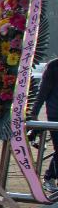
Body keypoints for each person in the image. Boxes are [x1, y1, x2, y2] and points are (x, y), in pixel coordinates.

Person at [32, 56, 58, 184]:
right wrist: (34, 114)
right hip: (55, 115)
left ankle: (50, 177)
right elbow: (42, 93)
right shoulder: (53, 66)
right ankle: (49, 178)